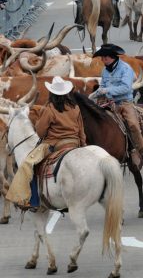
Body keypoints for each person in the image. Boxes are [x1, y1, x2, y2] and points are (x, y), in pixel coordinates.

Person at [5, 76, 86, 210]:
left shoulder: (50, 108)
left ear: (52, 93)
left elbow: (40, 132)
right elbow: (82, 130)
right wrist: (83, 146)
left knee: (28, 164)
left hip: (54, 144)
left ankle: (32, 201)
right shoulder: (75, 108)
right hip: (74, 143)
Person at [89, 44, 143, 170]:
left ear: (112, 57)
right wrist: (96, 93)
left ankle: (139, 151)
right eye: (102, 57)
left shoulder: (126, 69)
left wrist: (106, 90)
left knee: (132, 124)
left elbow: (126, 88)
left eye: (104, 57)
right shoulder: (105, 70)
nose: (102, 60)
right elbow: (103, 85)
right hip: (108, 102)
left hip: (124, 102)